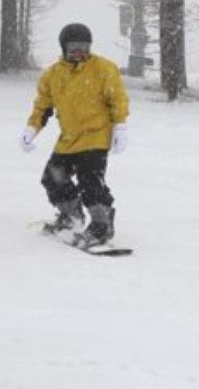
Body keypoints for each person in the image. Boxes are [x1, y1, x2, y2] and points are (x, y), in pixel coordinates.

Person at [20, 22, 130, 246]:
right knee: (53, 178)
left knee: (91, 182)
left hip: (96, 136)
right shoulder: (52, 74)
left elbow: (118, 99)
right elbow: (43, 106)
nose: (79, 52)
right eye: (73, 47)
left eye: (83, 47)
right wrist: (32, 129)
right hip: (69, 138)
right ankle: (72, 217)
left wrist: (120, 126)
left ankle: (102, 226)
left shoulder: (103, 68)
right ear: (63, 47)